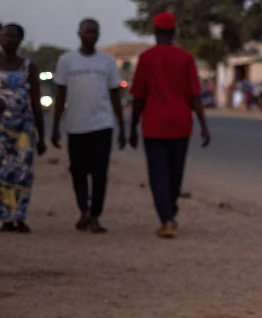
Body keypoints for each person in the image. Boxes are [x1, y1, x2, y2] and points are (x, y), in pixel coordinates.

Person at [128, 12, 211, 238]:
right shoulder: (185, 58)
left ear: (155, 32)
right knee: (175, 172)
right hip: (180, 124)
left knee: (158, 173)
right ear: (174, 32)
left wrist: (132, 127)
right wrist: (203, 124)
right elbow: (195, 95)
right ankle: (170, 211)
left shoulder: (146, 58)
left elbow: (138, 97)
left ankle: (166, 218)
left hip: (153, 125)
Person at [51, 18, 125, 233]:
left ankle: (95, 215)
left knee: (100, 172)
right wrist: (56, 126)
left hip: (102, 124)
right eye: (87, 31)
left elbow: (114, 95)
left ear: (98, 35)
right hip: (76, 125)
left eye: (94, 32)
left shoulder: (107, 61)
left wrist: (121, 126)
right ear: (79, 34)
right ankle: (83, 210)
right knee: (78, 171)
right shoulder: (67, 60)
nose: (90, 35)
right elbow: (60, 94)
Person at [0, 24, 47, 232]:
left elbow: (36, 102)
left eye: (13, 36)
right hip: (1, 129)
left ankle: (19, 215)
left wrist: (42, 135)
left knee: (23, 172)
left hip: (23, 130)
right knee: (2, 172)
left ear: (20, 40)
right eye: (4, 35)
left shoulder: (28, 66)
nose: (8, 39)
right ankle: (5, 217)